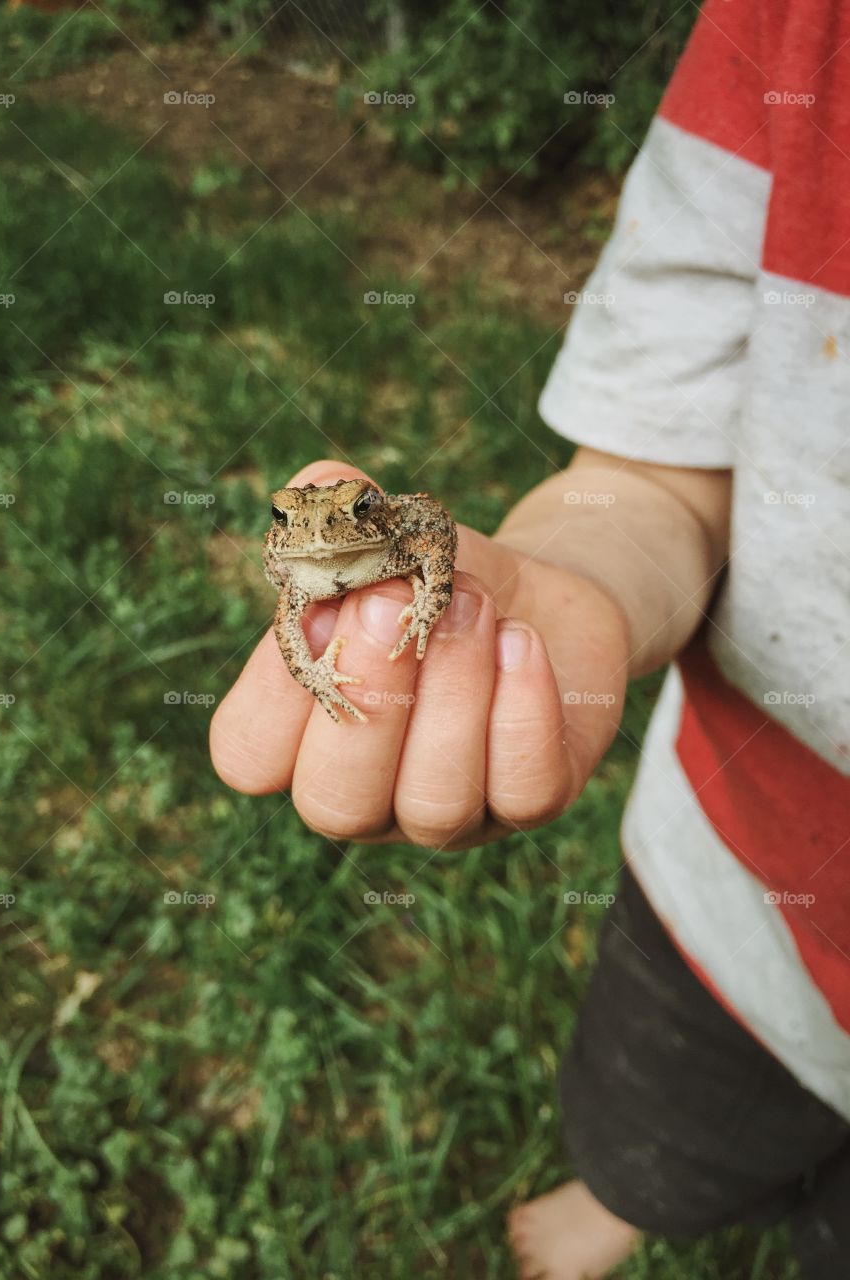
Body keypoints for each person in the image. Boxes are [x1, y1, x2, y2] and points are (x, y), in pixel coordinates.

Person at [211, 0, 850, 1274]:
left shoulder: (393, 532)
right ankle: (626, 1190)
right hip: (740, 883)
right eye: (306, 518)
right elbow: (304, 608)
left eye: (341, 517)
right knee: (652, 1114)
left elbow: (425, 529)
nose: (323, 527)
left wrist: (435, 586)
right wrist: (571, 573)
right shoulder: (797, 35)